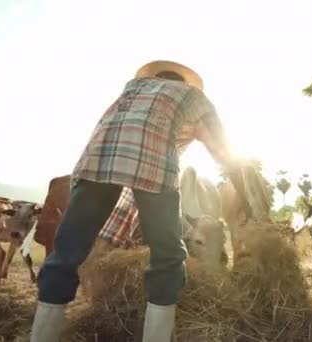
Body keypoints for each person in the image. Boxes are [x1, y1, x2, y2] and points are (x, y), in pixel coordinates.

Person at [30, 60, 241, 342]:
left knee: (66, 254)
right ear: (183, 84)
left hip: (94, 165)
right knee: (168, 258)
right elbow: (221, 147)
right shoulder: (193, 97)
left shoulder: (130, 91)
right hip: (153, 168)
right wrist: (238, 175)